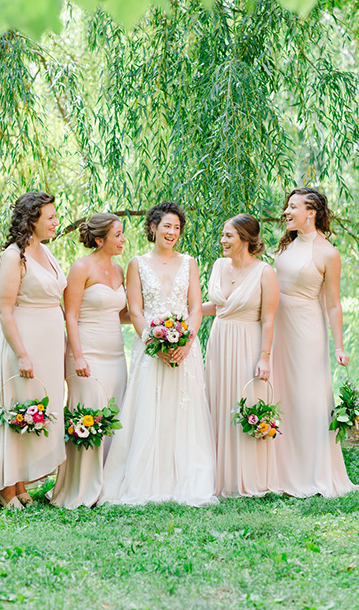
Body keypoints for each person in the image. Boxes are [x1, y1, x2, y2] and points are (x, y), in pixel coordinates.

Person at [99, 201, 216, 506]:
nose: (172, 232)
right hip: (149, 348)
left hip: (184, 348)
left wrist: (186, 342)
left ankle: (185, 479)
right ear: (153, 227)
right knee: (148, 409)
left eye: (177, 228)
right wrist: (154, 342)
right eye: (167, 226)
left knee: (183, 411)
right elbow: (136, 311)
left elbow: (195, 308)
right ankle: (142, 478)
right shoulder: (137, 264)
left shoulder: (189, 263)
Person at [0, 192, 67, 509]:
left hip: (49, 345)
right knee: (17, 409)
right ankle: (7, 488)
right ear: (32, 220)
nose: (56, 221)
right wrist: (22, 354)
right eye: (51, 217)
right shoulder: (14, 256)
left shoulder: (46, 253)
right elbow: (4, 310)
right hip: (22, 342)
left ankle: (22, 482)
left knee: (35, 410)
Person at [273, 187, 359, 497]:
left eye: (293, 206)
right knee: (281, 393)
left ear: (311, 212)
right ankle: (278, 469)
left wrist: (339, 345)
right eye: (287, 205)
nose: (287, 211)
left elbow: (333, 303)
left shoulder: (327, 253)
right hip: (276, 327)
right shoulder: (286, 246)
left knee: (308, 397)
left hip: (306, 329)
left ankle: (312, 471)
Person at [51, 213, 128, 509]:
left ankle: (108, 484)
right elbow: (70, 314)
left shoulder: (119, 270)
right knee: (88, 415)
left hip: (116, 354)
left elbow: (118, 313)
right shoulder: (81, 268)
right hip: (87, 354)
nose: (123, 240)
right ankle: (80, 487)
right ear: (100, 240)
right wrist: (78, 356)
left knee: (112, 418)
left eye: (122, 234)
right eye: (117, 235)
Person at [203, 214, 280, 497]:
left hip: (247, 343)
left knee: (243, 405)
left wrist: (264, 357)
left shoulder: (265, 273)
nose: (222, 241)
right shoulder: (219, 265)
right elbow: (216, 306)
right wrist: (181, 314)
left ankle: (247, 478)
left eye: (228, 236)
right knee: (218, 404)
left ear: (246, 240)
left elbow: (269, 320)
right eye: (222, 235)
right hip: (219, 342)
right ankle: (216, 478)